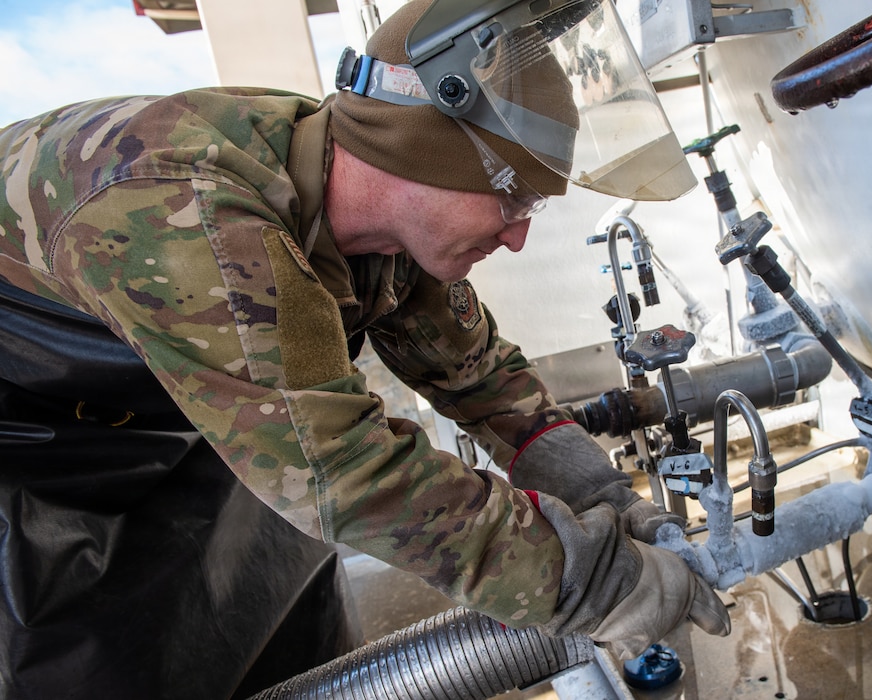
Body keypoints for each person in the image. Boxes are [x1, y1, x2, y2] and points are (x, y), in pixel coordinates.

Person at [0, 0, 728, 697]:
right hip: (28, 445)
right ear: (426, 157)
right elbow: (344, 476)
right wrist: (599, 585)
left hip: (163, 413)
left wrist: (600, 494)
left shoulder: (373, 214)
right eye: (517, 200)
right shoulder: (197, 216)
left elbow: (482, 380)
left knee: (287, 629)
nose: (518, 237)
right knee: (96, 668)